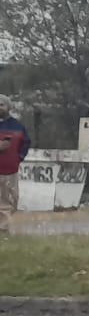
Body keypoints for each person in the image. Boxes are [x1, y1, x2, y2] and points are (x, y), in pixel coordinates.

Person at [0, 94, 30, 236]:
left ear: (8, 107)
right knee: (3, 202)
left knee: (13, 200)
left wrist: (20, 157)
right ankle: (4, 230)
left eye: (1, 105)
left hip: (11, 170)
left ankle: (3, 224)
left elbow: (26, 142)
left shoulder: (17, 126)